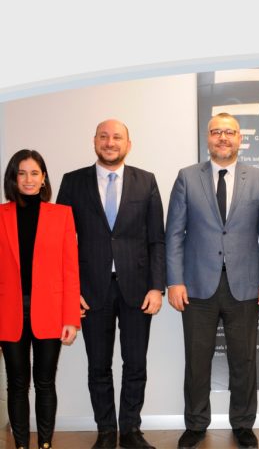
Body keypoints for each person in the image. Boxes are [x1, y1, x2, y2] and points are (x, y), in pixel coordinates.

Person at [165, 112, 259, 449]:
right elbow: (174, 234)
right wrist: (174, 281)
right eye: (217, 132)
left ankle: (243, 424)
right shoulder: (187, 177)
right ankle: (196, 424)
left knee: (244, 360)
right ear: (208, 138)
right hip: (197, 286)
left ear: (240, 138)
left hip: (245, 286)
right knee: (197, 360)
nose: (223, 138)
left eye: (230, 132)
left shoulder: (257, 178)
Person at [57, 120, 165, 449]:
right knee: (98, 366)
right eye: (104, 136)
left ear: (128, 144)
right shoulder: (73, 181)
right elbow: (60, 242)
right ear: (94, 141)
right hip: (91, 291)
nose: (110, 142)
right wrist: (70, 292)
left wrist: (156, 287)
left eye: (117, 137)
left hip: (138, 290)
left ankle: (130, 430)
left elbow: (157, 239)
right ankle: (106, 431)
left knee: (136, 364)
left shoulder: (146, 181)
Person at [0, 149, 80, 449]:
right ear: (13, 178)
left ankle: (45, 444)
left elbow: (70, 271)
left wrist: (71, 318)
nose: (28, 179)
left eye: (34, 173)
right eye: (22, 173)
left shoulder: (62, 215)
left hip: (50, 312)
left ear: (43, 177)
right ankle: (21, 445)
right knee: (17, 384)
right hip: (8, 313)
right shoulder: (1, 215)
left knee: (45, 383)